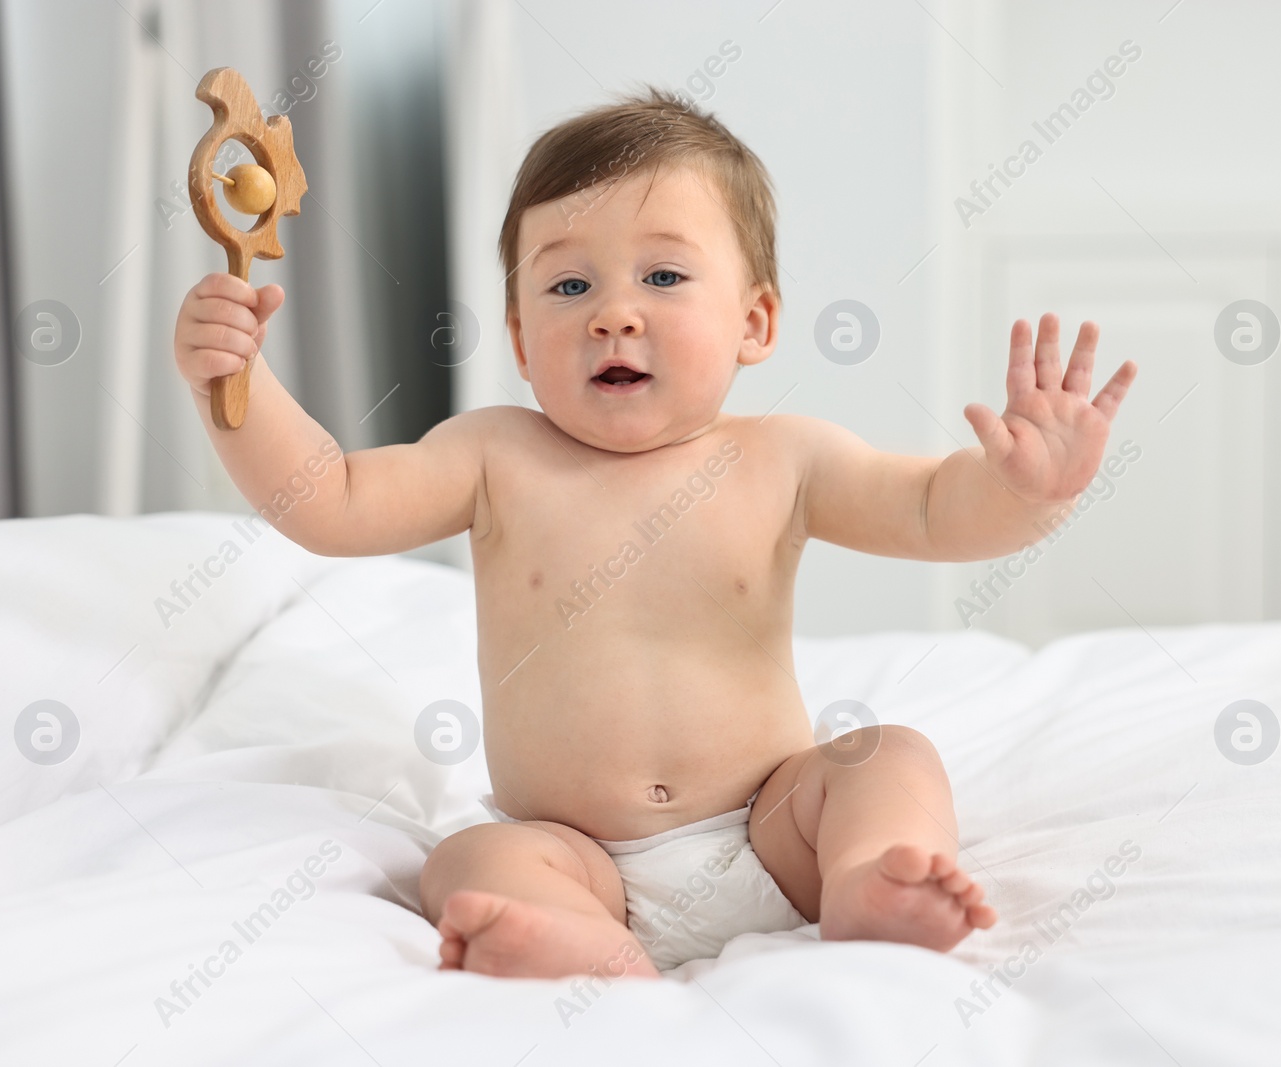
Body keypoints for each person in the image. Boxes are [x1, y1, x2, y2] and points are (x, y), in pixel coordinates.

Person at [172, 87, 1137, 978]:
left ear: (754, 323)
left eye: (663, 275)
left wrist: (1024, 490)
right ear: (515, 338)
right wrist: (236, 393)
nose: (614, 316)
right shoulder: (492, 455)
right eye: (568, 289)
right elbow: (330, 500)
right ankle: (585, 945)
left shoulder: (784, 458)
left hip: (773, 827)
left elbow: (933, 510)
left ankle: (872, 881)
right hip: (578, 850)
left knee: (887, 756)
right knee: (472, 856)